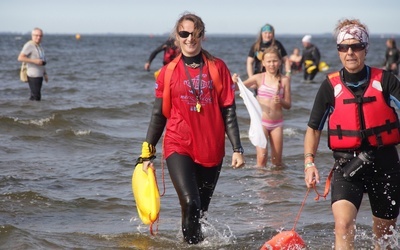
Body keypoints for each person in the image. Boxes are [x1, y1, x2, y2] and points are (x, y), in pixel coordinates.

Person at [137, 12, 245, 244]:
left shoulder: (218, 68)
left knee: (199, 211)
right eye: (184, 33)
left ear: (202, 35)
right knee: (190, 202)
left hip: (211, 148)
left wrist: (238, 148)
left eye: (194, 33)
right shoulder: (168, 72)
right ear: (177, 36)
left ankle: (187, 243)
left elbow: (228, 110)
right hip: (178, 144)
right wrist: (147, 152)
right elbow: (158, 115)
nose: (189, 38)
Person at [303, 18, 400, 249]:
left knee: (384, 235)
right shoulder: (330, 86)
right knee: (343, 225)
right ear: (338, 51)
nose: (350, 52)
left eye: (356, 46)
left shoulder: (386, 81)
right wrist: (309, 163)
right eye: (343, 47)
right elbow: (313, 128)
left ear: (365, 49)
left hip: (384, 163)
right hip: (347, 165)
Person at [233, 46, 291, 168]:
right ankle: (260, 185)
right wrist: (234, 81)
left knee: (277, 161)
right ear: (263, 63)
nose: (272, 64)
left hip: (277, 124)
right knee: (262, 158)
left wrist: (280, 101)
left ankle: (275, 185)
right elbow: (238, 88)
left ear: (280, 62)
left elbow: (288, 105)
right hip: (262, 123)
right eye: (269, 61)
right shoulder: (258, 78)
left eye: (275, 61)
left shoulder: (285, 80)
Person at [18, 27, 48, 101]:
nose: (38, 37)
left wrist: (45, 73)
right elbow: (20, 58)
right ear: (32, 35)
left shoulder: (39, 46)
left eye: (40, 36)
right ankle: (33, 111)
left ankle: (32, 111)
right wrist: (35, 61)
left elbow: (41, 60)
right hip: (33, 75)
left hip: (39, 75)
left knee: (36, 96)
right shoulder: (29, 45)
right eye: (36, 35)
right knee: (36, 97)